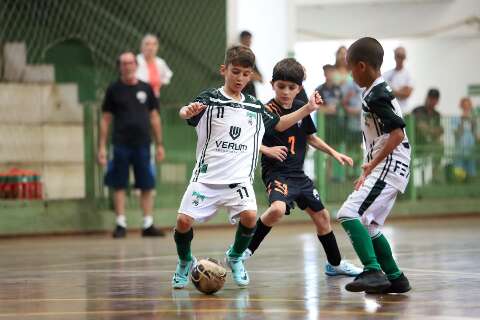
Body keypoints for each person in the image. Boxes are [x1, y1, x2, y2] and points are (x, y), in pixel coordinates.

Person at [171, 45, 323, 289]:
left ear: (251, 76)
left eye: (245, 74)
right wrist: (185, 111)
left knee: (251, 217)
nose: (240, 78)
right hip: (207, 179)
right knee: (183, 222)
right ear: (224, 70)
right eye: (235, 72)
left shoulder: (254, 106)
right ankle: (184, 260)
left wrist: (307, 109)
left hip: (239, 180)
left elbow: (280, 125)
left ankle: (234, 257)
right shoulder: (210, 99)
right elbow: (187, 112)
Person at [241, 58, 362, 277]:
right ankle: (242, 251)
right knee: (277, 210)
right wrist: (266, 150)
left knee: (322, 217)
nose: (286, 92)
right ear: (272, 85)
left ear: (299, 88)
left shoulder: (300, 107)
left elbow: (310, 138)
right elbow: (262, 132)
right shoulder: (266, 109)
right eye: (281, 86)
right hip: (276, 173)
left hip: (298, 175)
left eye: (291, 87)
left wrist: (334, 152)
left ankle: (335, 265)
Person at [337, 37, 411, 294]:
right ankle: (394, 276)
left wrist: (371, 166)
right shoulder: (375, 91)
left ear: (361, 66)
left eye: (349, 68)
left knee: (348, 213)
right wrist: (369, 164)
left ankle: (372, 270)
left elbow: (398, 134)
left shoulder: (378, 94)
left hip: (389, 164)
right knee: (368, 225)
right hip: (388, 166)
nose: (349, 74)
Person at [98, 52, 166, 238]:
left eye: (130, 63)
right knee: (119, 183)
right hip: (120, 144)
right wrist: (102, 147)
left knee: (146, 184)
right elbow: (105, 119)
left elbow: (154, 116)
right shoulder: (113, 90)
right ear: (119, 66)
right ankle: (120, 223)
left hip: (143, 144)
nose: (127, 66)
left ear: (136, 65)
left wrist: (159, 144)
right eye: (123, 63)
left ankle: (147, 224)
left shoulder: (146, 88)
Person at [412, 89, 444, 180]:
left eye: (435, 99)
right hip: (417, 142)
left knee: (440, 145)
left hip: (430, 144)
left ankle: (434, 175)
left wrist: (429, 130)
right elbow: (420, 127)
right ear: (427, 98)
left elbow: (440, 130)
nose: (432, 101)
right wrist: (433, 131)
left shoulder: (437, 114)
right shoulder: (418, 110)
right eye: (431, 98)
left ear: (437, 101)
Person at [383, 47, 413, 112]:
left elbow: (407, 94)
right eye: (398, 56)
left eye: (402, 56)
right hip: (389, 111)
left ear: (404, 58)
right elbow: (382, 92)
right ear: (394, 57)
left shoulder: (408, 75)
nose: (399, 59)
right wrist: (400, 90)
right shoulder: (386, 74)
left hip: (403, 112)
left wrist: (390, 91)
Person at [454, 97, 478, 179]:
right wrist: (462, 120)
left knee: (471, 161)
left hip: (471, 144)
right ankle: (460, 178)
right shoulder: (457, 118)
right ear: (461, 106)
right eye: (464, 105)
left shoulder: (473, 119)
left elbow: (475, 133)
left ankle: (471, 177)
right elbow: (456, 133)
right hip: (461, 143)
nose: (466, 107)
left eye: (468, 105)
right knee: (460, 161)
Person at [239, 31, 263, 97]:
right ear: (241, 40)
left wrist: (250, 75)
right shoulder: (235, 56)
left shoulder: (252, 58)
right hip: (239, 93)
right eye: (246, 40)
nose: (249, 42)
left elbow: (260, 78)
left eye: (249, 40)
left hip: (250, 94)